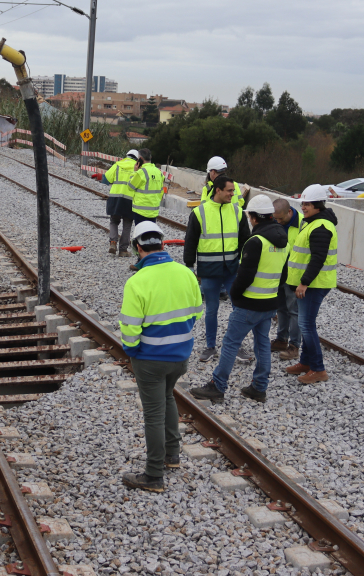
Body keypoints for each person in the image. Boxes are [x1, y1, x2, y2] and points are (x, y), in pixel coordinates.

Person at [118, 222, 202, 493]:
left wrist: (132, 351)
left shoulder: (137, 281)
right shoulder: (185, 273)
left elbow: (130, 327)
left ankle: (154, 475)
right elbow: (196, 312)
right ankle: (172, 455)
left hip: (150, 358)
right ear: (163, 245)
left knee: (153, 413)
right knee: (167, 397)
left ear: (137, 247)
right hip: (180, 355)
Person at [190, 195, 289, 403]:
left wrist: (234, 294)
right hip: (270, 303)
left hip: (249, 304)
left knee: (230, 343)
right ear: (270, 215)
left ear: (253, 218)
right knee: (262, 344)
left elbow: (244, 276)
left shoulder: (256, 242)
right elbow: (284, 277)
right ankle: (259, 387)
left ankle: (218, 385)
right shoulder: (283, 241)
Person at [183, 176, 251, 363]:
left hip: (231, 270)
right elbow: (190, 242)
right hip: (209, 270)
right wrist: (189, 266)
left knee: (238, 308)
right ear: (218, 190)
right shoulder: (199, 212)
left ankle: (237, 345)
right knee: (211, 309)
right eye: (229, 191)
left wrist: (246, 264)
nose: (233, 194)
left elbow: (246, 241)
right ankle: (210, 347)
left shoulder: (237, 212)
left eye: (233, 191)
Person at [284, 184, 338, 384]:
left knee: (306, 325)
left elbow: (318, 258)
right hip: (311, 283)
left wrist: (304, 283)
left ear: (318, 205)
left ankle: (318, 369)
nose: (303, 207)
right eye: (303, 203)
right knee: (306, 324)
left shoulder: (321, 227)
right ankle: (306, 362)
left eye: (307, 204)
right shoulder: (312, 222)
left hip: (315, 284)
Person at [271, 197, 303, 360]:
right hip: (279, 274)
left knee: (294, 310)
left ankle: (294, 345)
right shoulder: (276, 222)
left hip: (295, 276)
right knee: (281, 308)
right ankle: (281, 339)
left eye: (281, 218)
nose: (279, 222)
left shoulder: (303, 225)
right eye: (276, 219)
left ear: (289, 212)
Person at [103, 149, 138, 256]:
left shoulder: (118, 164)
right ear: (137, 158)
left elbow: (107, 177)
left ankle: (113, 242)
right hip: (130, 199)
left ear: (126, 155)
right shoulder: (137, 167)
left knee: (114, 221)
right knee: (127, 224)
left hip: (115, 197)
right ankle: (123, 250)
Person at [128, 148, 165, 225]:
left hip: (140, 211)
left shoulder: (141, 172)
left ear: (140, 159)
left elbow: (130, 187)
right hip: (154, 211)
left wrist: (134, 172)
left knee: (141, 234)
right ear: (150, 158)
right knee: (150, 234)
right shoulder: (159, 172)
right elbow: (161, 191)